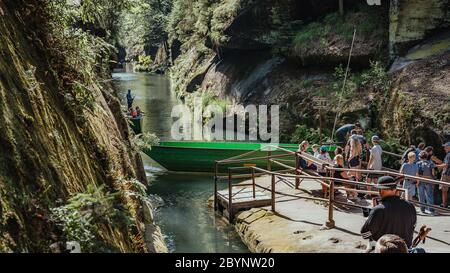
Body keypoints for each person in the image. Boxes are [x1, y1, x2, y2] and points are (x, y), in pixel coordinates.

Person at [361, 176, 417, 250]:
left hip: (385, 250)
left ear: (380, 190)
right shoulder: (410, 206)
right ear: (395, 189)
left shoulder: (378, 210)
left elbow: (365, 234)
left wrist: (369, 219)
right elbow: (413, 226)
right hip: (405, 249)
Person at [436, 142, 450, 208]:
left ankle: (444, 204)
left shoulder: (448, 155)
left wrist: (436, 166)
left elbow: (446, 165)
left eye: (446, 147)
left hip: (446, 174)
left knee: (444, 190)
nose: (444, 148)